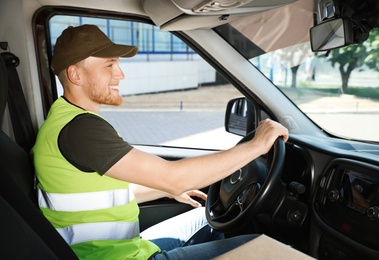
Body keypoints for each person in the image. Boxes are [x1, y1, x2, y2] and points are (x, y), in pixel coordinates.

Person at [31, 24, 289, 259]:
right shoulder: (80, 130)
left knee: (206, 218)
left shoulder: (65, 119)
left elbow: (103, 193)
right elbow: (173, 176)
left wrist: (165, 190)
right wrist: (255, 145)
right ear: (75, 74)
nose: (120, 74)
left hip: (128, 248)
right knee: (261, 248)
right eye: (109, 65)